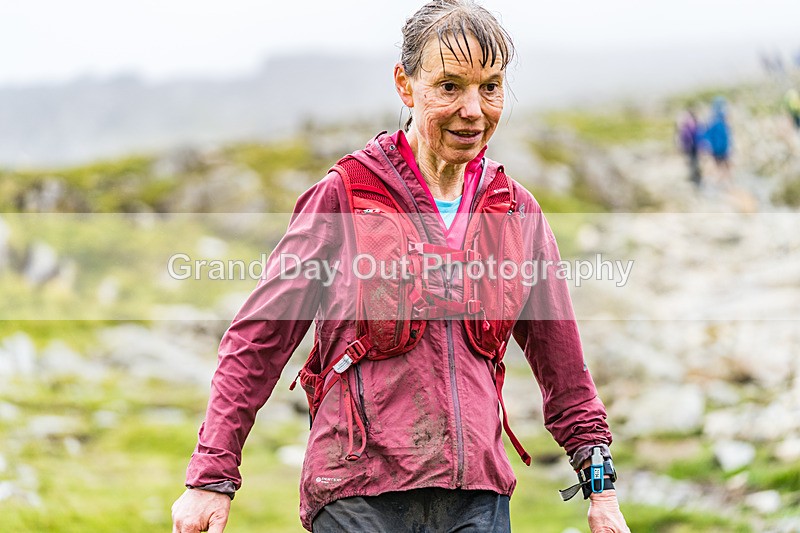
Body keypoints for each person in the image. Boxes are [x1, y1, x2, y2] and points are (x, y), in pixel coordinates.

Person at [171, 1, 629, 532]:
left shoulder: (515, 211)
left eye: (491, 86)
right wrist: (210, 476)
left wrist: (601, 488)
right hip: (356, 494)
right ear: (405, 86)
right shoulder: (345, 196)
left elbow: (564, 369)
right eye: (450, 86)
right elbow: (258, 339)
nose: (474, 110)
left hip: (476, 499)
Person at [702, 96, 732, 183]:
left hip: (719, 149)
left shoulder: (713, 120)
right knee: (723, 167)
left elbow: (707, 135)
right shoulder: (718, 121)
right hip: (720, 149)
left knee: (722, 167)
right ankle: (724, 183)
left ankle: (724, 183)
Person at [676, 107, 703, 187]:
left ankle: (693, 178)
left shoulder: (685, 124)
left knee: (692, 162)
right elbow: (695, 136)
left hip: (689, 146)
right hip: (693, 147)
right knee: (694, 162)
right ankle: (694, 179)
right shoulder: (692, 123)